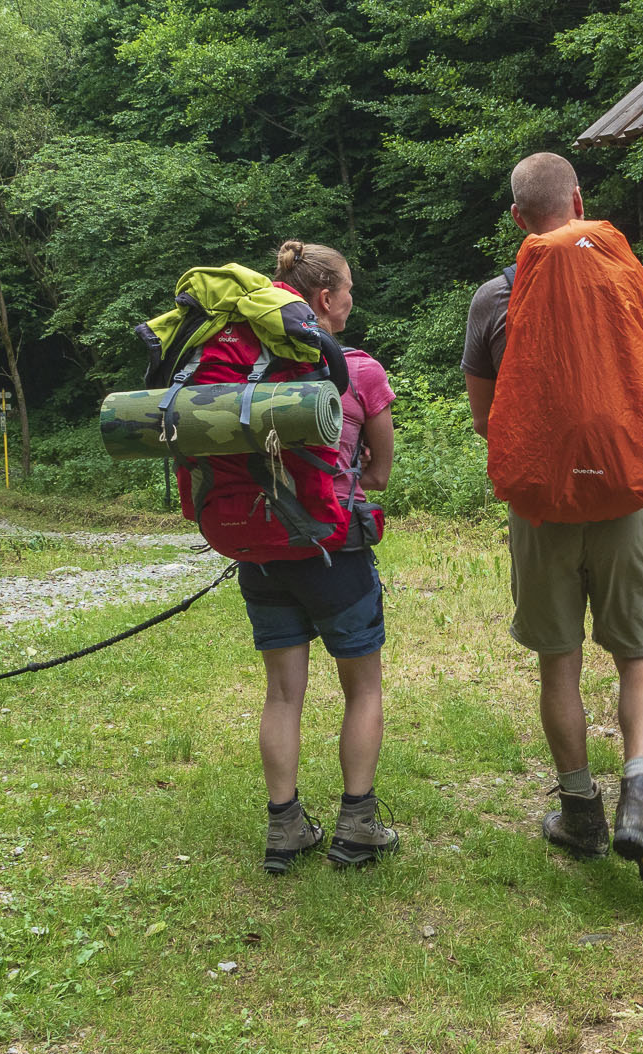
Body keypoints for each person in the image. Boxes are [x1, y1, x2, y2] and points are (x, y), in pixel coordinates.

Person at [460, 153, 643, 886]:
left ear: (520, 220)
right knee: (640, 655)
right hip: (626, 498)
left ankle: (582, 811)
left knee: (558, 658)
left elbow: (485, 418)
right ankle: (642, 801)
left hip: (542, 505)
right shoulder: (639, 280)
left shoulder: (495, 298)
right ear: (582, 202)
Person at [242, 239, 398, 875]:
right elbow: (381, 473)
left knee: (282, 693)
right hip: (337, 554)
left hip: (261, 551)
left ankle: (285, 829)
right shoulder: (359, 370)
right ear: (326, 300)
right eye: (350, 290)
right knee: (362, 689)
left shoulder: (243, 371)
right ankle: (356, 826)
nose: (352, 300)